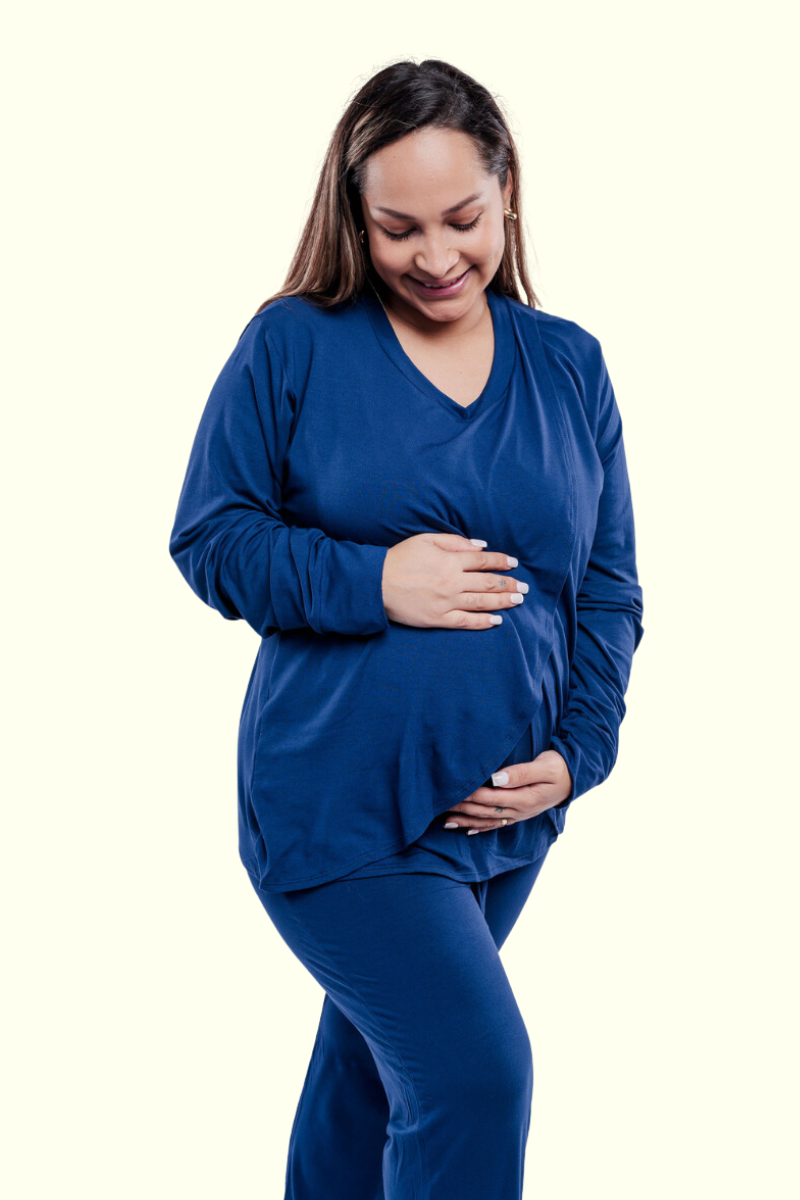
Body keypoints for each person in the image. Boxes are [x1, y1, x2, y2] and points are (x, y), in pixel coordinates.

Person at [169, 57, 645, 1200]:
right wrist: (372, 581)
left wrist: (576, 757)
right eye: (397, 229)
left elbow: (607, 589)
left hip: (498, 821)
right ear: (353, 218)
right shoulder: (294, 343)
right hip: (338, 809)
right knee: (475, 1078)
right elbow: (211, 537)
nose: (434, 257)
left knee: (371, 1087)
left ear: (506, 194)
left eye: (460, 219)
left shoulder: (567, 365)